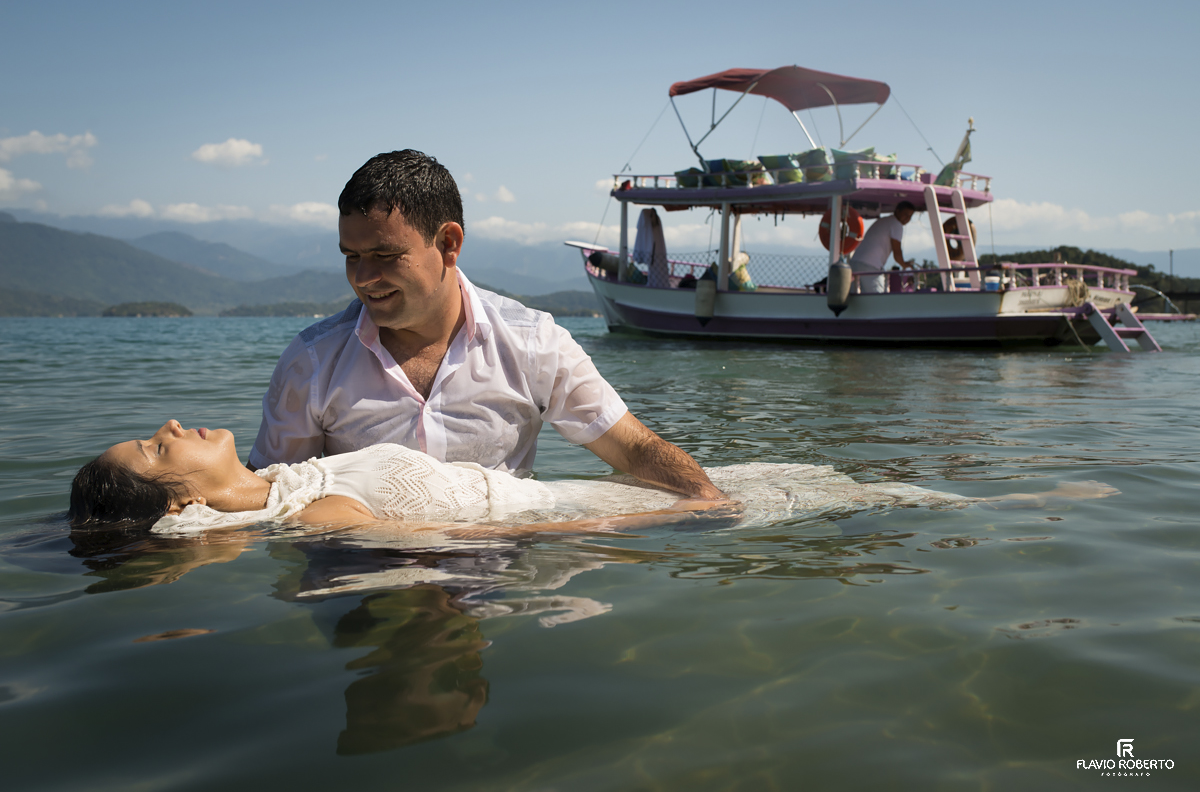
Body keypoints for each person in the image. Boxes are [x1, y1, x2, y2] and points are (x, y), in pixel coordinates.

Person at [249, 150, 722, 501]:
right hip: (361, 572)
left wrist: (710, 501)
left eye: (385, 256)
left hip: (491, 571)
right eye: (351, 257)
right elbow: (269, 492)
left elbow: (635, 449)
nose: (363, 278)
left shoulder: (533, 343)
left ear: (449, 244)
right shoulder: (313, 360)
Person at [69, 420, 1119, 537]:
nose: (169, 427)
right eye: (155, 451)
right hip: (581, 511)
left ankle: (1009, 503)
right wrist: (665, 524)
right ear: (187, 502)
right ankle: (1023, 507)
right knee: (828, 497)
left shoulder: (296, 474)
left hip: (589, 497)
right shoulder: (323, 509)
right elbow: (491, 540)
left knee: (829, 479)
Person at [849, 201, 916, 293]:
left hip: (854, 263)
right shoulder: (896, 224)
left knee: (855, 300)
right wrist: (906, 266)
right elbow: (897, 254)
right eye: (905, 214)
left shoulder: (884, 220)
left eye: (910, 216)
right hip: (870, 267)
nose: (907, 218)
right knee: (877, 300)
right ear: (897, 211)